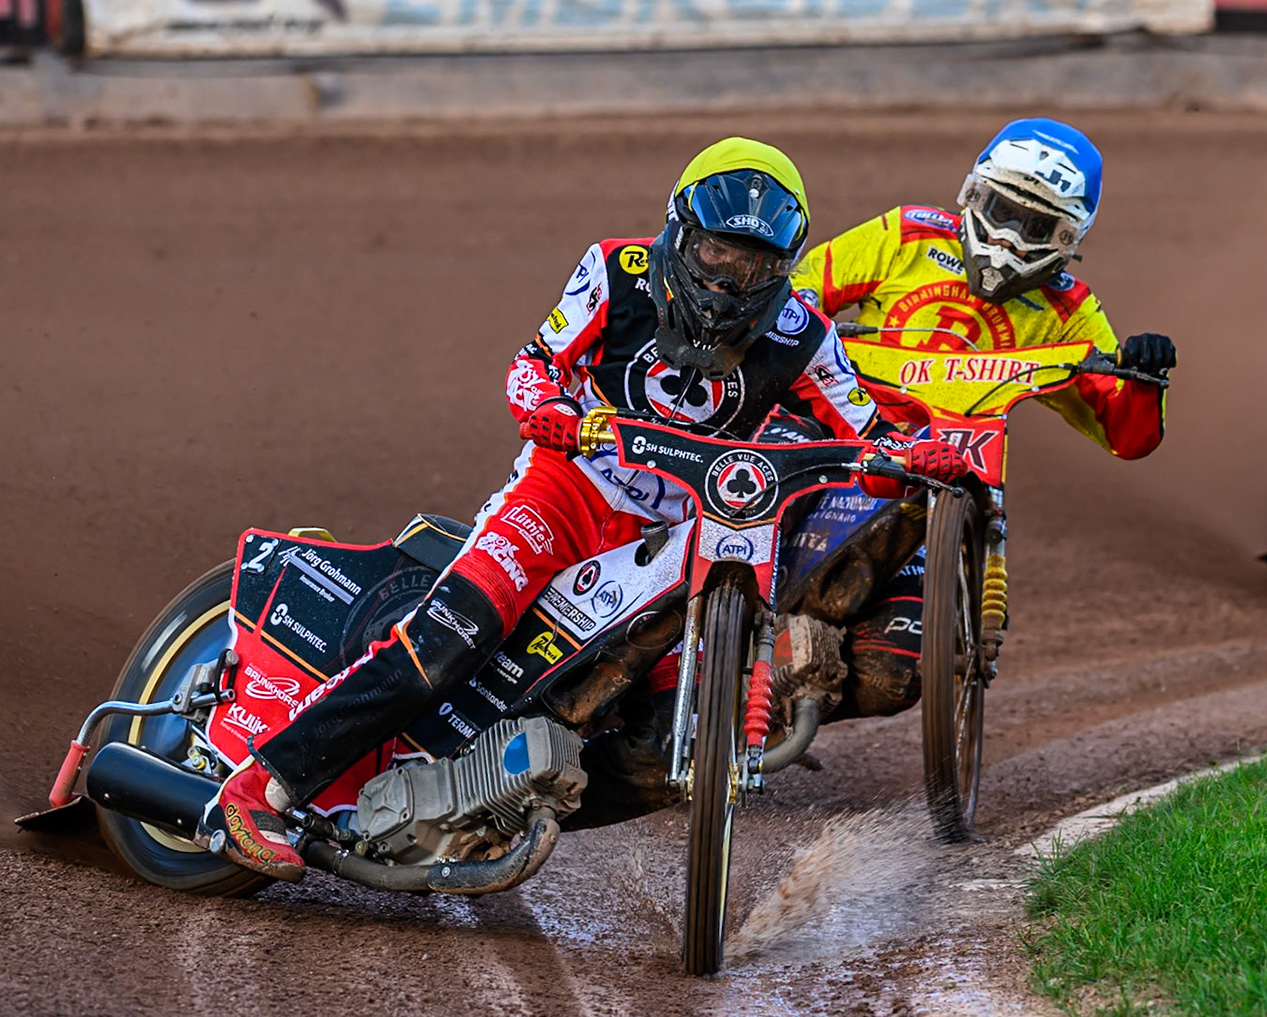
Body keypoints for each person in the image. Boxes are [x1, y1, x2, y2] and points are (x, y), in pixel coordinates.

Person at [197, 138, 967, 881]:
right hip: (565, 491)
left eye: (756, 264)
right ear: (680, 233)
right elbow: (533, 368)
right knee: (450, 637)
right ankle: (259, 788)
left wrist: (919, 456)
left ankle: (489, 810)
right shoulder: (615, 270)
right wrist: (550, 414)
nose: (731, 280)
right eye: (717, 254)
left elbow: (866, 433)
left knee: (669, 736)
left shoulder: (805, 334)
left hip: (677, 535)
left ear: (784, 269)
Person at [782, 118, 1175, 712]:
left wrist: (1145, 377)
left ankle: (785, 707)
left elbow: (1125, 433)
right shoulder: (905, 235)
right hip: (844, 431)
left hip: (951, 478)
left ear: (1067, 238)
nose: (1010, 238)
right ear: (970, 194)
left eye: (1036, 226)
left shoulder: (1068, 309)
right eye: (1000, 209)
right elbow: (800, 292)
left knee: (892, 679)